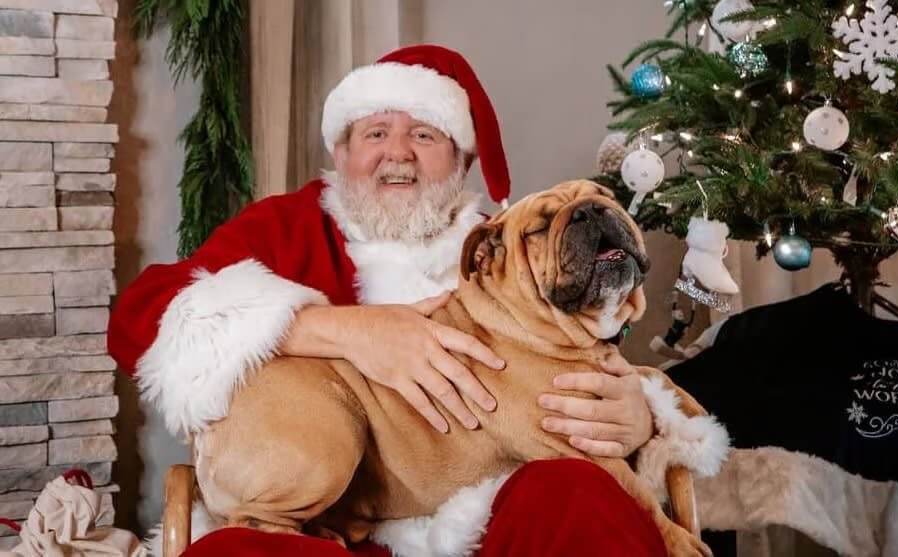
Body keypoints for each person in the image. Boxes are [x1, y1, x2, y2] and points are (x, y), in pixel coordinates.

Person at [108, 44, 664, 556]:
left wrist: (642, 420)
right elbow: (140, 317)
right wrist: (346, 331)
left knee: (577, 493)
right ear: (341, 151)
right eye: (375, 133)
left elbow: (591, 352)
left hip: (488, 529)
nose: (397, 153)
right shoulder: (287, 228)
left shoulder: (516, 248)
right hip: (322, 532)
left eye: (424, 134)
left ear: (461, 158)